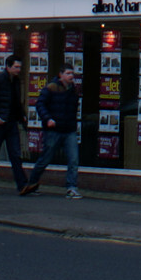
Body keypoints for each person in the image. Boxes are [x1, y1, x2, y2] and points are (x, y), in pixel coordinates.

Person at [0, 57, 35, 196]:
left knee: (16, 154)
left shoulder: (15, 81)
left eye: (19, 67)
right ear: (8, 66)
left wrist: (21, 115)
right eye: (16, 67)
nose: (18, 70)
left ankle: (22, 185)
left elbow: (16, 101)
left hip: (11, 123)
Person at [32, 64, 83, 198]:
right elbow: (40, 104)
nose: (71, 76)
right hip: (54, 130)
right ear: (61, 75)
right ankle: (32, 183)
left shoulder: (73, 90)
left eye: (72, 73)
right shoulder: (51, 88)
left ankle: (71, 187)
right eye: (68, 73)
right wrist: (48, 118)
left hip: (69, 130)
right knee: (46, 158)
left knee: (73, 159)